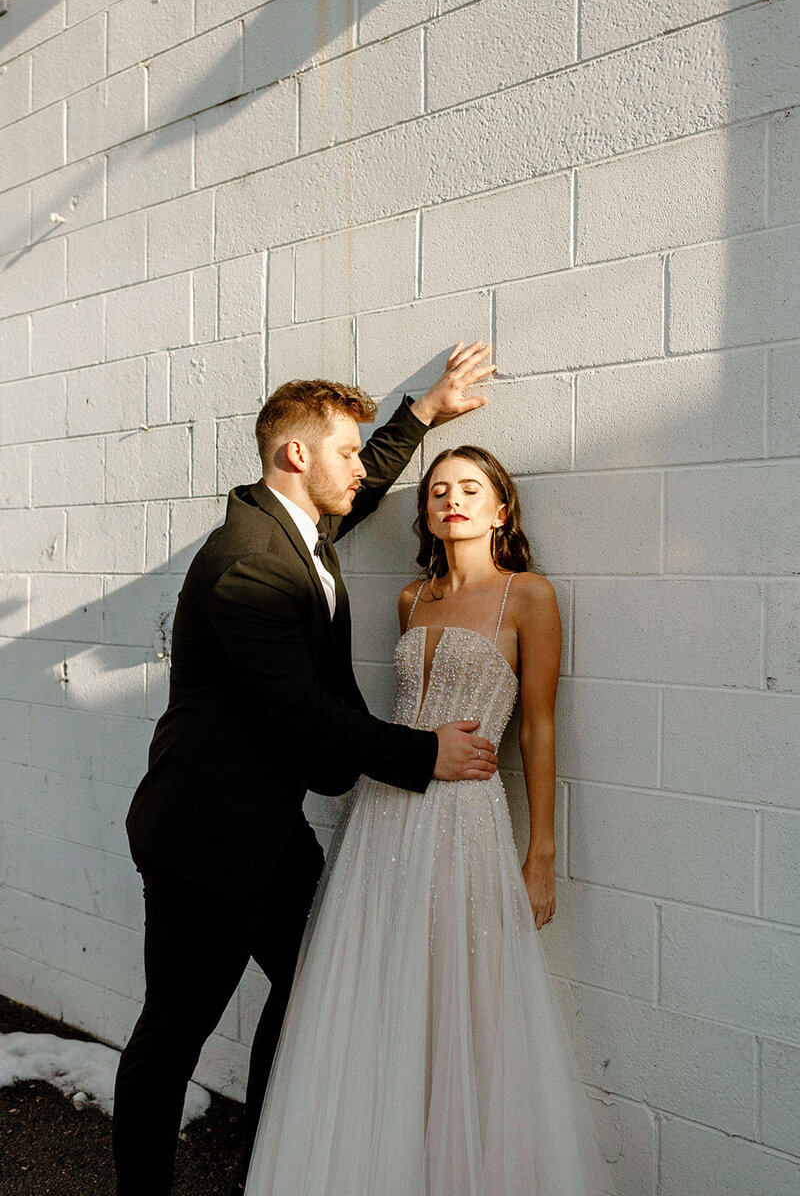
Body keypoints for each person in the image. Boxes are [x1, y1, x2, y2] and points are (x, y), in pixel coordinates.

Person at [112, 341, 498, 1196]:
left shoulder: (291, 527)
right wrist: (424, 751)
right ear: (297, 455)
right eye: (347, 453)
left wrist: (424, 415)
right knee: (172, 1035)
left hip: (268, 836)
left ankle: (269, 1162)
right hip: (205, 842)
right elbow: (295, 712)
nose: (360, 470)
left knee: (310, 991)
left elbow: (345, 506)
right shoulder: (248, 561)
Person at [242, 446, 618, 1196]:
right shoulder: (412, 600)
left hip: (466, 821)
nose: (452, 500)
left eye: (470, 489)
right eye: (439, 490)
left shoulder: (529, 597)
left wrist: (541, 853)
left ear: (501, 509)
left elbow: (537, 729)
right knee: (377, 986)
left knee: (461, 991)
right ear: (426, 513)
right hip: (383, 814)